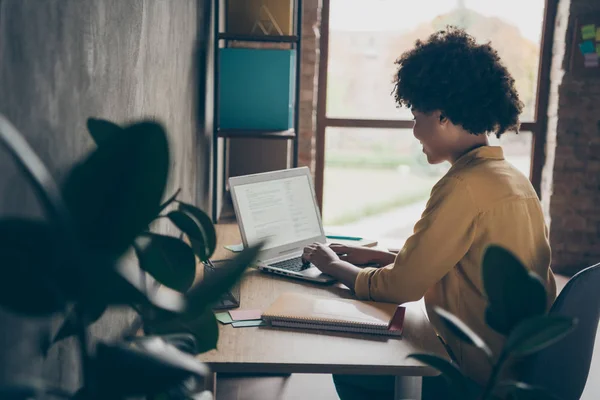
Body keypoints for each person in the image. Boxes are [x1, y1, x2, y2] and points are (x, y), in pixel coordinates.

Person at [302, 27, 557, 399]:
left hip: (476, 380)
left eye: (415, 114)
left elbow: (402, 287)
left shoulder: (462, 187)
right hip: (517, 370)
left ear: (441, 115)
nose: (414, 129)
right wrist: (375, 256)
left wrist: (332, 265)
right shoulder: (513, 181)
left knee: (351, 367)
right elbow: (457, 265)